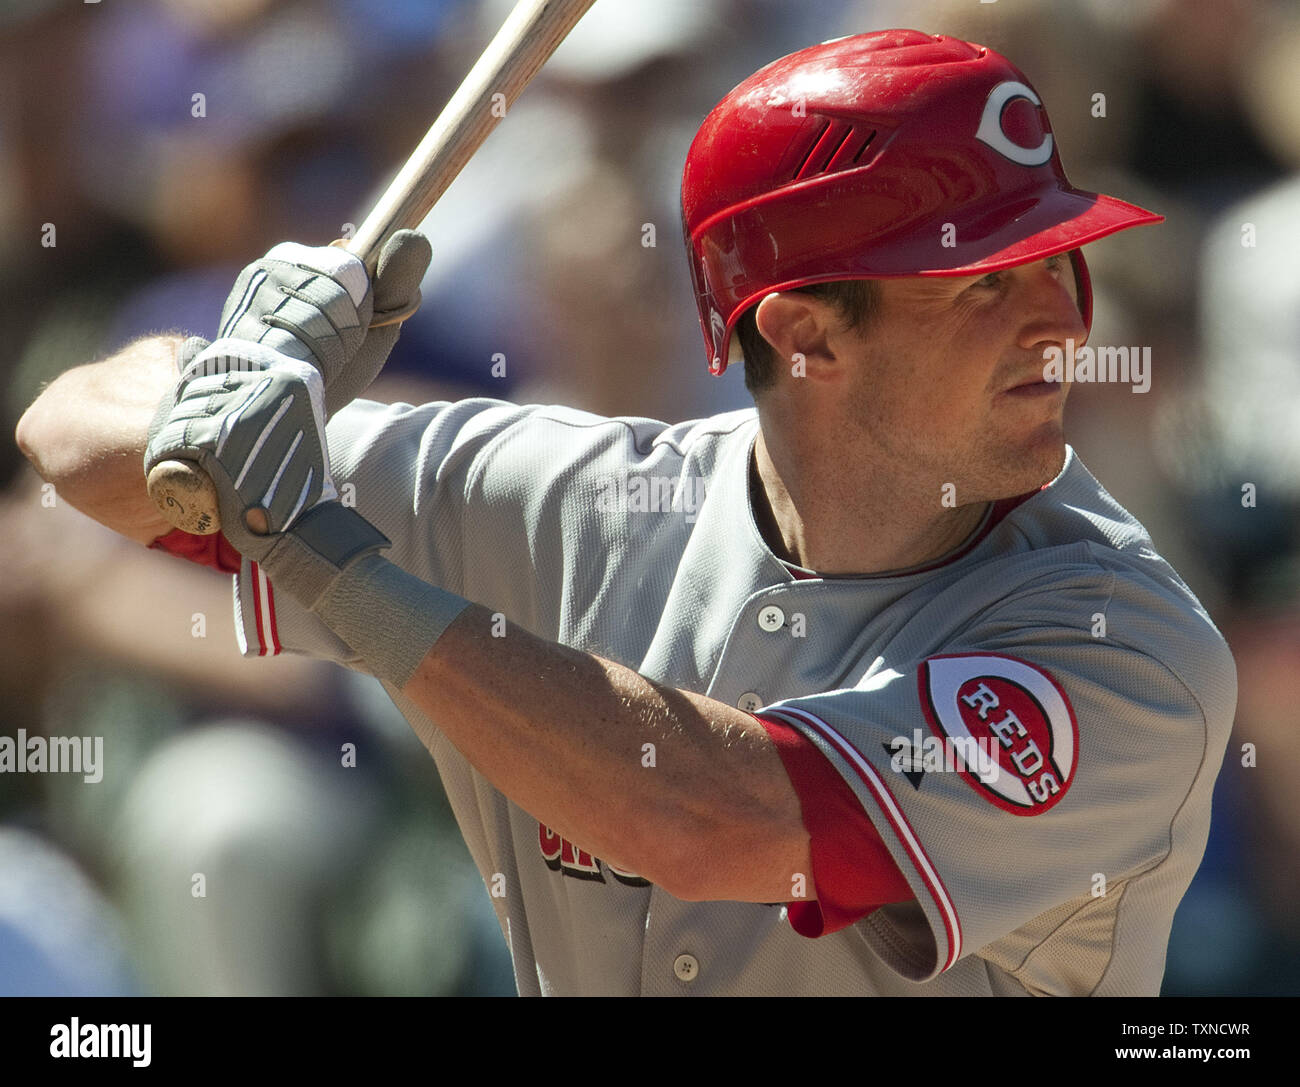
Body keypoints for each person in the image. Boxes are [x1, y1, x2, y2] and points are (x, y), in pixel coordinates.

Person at [17, 30, 1235, 996]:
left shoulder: (1125, 647)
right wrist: (232, 380)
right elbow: (69, 444)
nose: (1065, 323)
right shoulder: (578, 495)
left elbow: (708, 816)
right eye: (988, 283)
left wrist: (335, 565)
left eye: (1060, 263)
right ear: (803, 332)